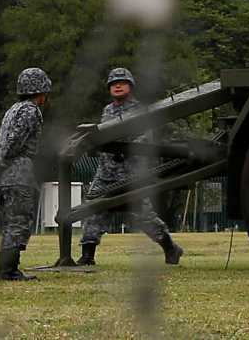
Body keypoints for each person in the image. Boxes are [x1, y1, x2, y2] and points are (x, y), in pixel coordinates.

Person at [77, 67, 184, 267]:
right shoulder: (107, 111)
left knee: (144, 216)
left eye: (122, 82)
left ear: (130, 87)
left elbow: (145, 139)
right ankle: (87, 255)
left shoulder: (140, 111)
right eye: (113, 83)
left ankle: (171, 248)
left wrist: (124, 149)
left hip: (131, 174)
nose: (117, 86)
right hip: (106, 173)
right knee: (93, 211)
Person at [0, 67, 51, 281]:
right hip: (17, 174)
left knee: (11, 222)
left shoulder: (13, 109)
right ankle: (8, 270)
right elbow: (14, 143)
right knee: (19, 221)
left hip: (4, 176)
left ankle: (7, 268)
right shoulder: (30, 110)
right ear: (41, 90)